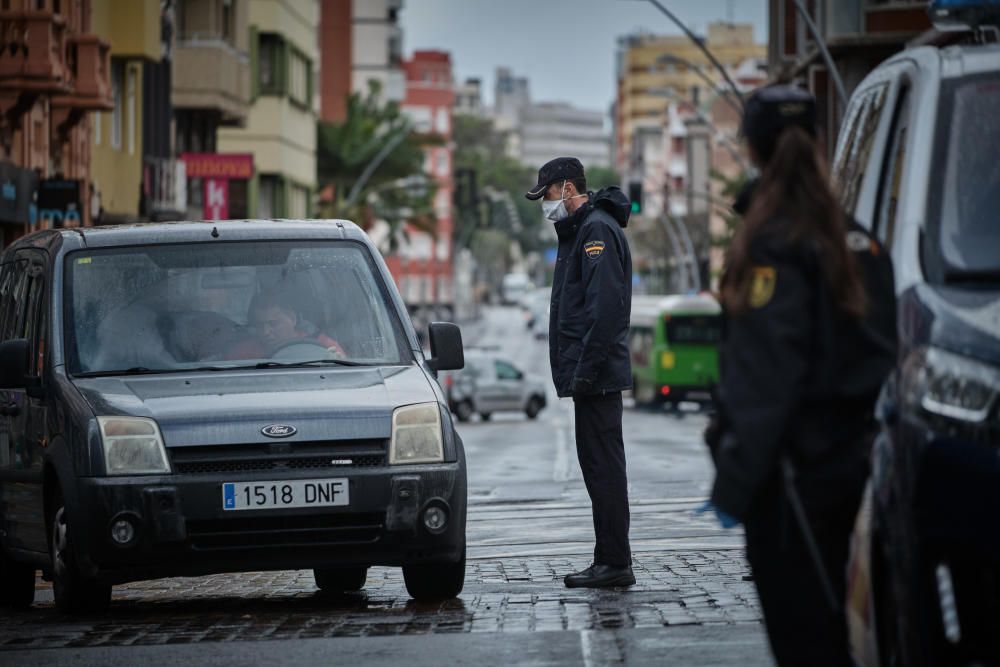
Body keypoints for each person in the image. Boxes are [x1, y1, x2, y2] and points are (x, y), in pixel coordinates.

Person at [704, 86, 897, 665]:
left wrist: (734, 478)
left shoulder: (772, 242)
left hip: (789, 484)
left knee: (804, 638)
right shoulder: (855, 237)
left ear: (755, 151)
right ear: (818, 142)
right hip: (857, 472)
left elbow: (768, 376)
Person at [525, 157, 635, 588]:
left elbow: (604, 311)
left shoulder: (595, 232)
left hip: (599, 379)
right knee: (597, 468)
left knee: (604, 469)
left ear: (567, 188)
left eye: (548, 194)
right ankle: (608, 558)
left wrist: (585, 372)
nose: (545, 204)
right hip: (593, 378)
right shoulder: (581, 231)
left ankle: (614, 562)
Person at [229, 289, 346, 359]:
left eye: (273, 324)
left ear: (292, 318)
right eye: (259, 326)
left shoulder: (325, 347)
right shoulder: (242, 353)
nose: (265, 332)